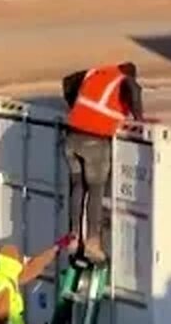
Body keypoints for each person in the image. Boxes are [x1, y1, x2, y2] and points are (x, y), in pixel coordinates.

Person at [61, 62, 146, 263]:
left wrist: (74, 106)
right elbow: (134, 89)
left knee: (78, 186)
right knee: (96, 190)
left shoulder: (96, 73)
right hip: (95, 139)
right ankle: (92, 242)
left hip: (71, 137)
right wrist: (139, 118)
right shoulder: (124, 80)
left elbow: (67, 82)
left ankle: (74, 237)